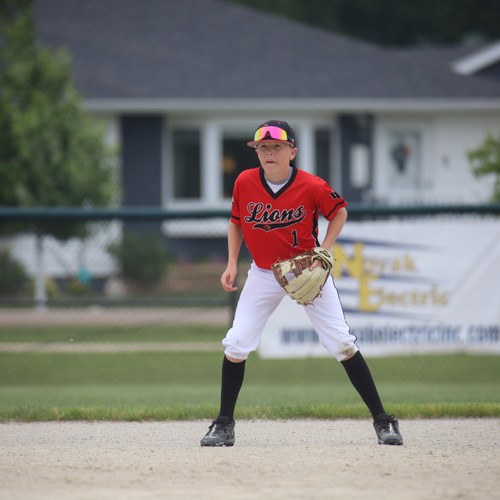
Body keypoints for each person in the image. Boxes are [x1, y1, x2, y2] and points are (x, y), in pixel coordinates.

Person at [200, 120, 403, 447]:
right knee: (236, 343)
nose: (269, 152)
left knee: (341, 342)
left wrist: (325, 250)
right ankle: (224, 424)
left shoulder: (311, 185)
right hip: (263, 273)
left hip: (305, 270)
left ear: (292, 152)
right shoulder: (245, 181)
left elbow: (339, 212)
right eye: (262, 147)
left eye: (276, 147)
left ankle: (383, 420)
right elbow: (236, 222)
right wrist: (231, 263)